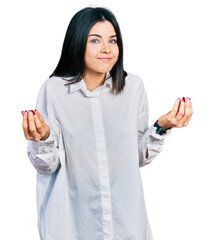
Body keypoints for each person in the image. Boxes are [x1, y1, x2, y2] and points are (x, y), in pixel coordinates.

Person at [21, 6, 193, 240]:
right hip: (72, 226)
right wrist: (42, 139)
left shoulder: (133, 88)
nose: (106, 49)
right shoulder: (54, 91)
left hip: (126, 224)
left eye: (112, 41)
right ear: (77, 42)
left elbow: (135, 158)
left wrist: (162, 126)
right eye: (95, 40)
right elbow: (46, 166)